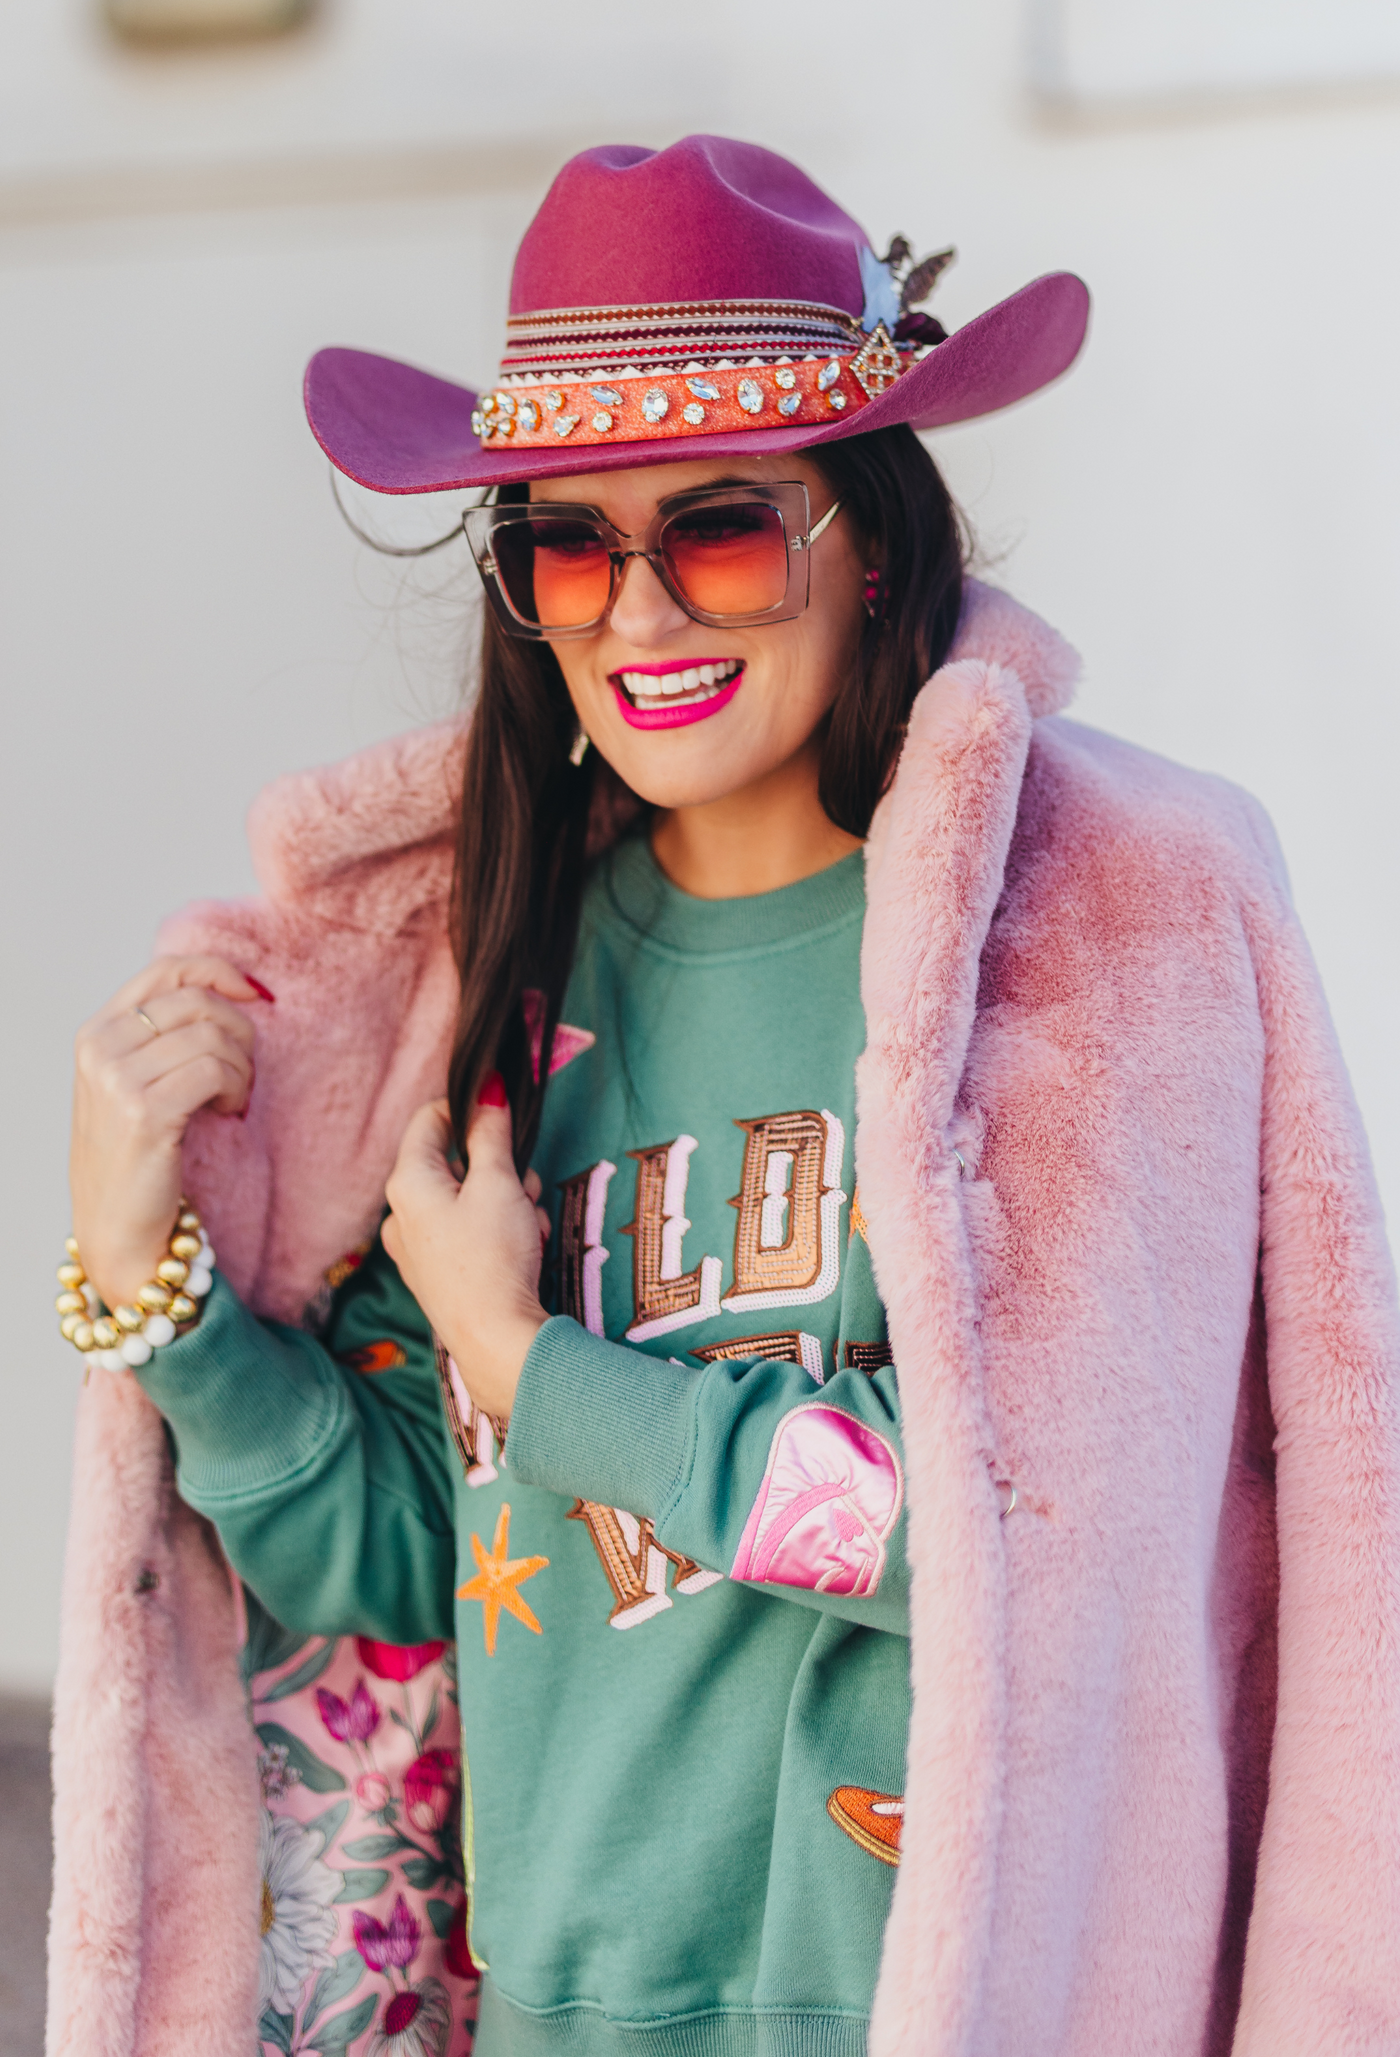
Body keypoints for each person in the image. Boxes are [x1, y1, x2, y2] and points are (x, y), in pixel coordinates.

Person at [52, 136, 1400, 2057]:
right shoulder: (489, 975)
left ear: (866, 531)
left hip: (932, 2003)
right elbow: (413, 1549)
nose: (641, 613)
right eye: (571, 546)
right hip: (559, 2008)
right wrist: (147, 1272)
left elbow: (1009, 1548)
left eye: (723, 529)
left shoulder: (1084, 947)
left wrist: (534, 1363)